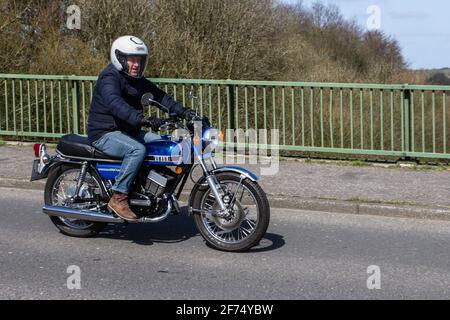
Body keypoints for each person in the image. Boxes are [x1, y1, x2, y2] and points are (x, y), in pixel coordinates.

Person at [87, 35, 208, 221]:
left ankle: (158, 187)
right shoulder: (109, 78)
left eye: (139, 60)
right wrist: (143, 119)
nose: (136, 64)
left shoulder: (136, 79)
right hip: (105, 133)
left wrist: (186, 112)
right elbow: (115, 104)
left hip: (128, 131)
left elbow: (161, 97)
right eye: (132, 60)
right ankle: (118, 197)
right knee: (137, 149)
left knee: (166, 143)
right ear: (120, 58)